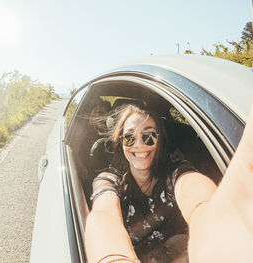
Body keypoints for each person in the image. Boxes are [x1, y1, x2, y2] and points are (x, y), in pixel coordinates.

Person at [85, 104, 253, 263]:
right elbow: (104, 214)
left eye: (149, 136)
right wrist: (113, 258)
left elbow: (192, 188)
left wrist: (212, 224)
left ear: (160, 140)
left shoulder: (174, 172)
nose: (139, 144)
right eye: (129, 137)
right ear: (121, 141)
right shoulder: (110, 179)